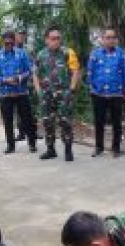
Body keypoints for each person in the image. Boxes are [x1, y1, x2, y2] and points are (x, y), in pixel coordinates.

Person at [33, 26, 81, 162]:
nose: (56, 41)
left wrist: (71, 90)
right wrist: (38, 91)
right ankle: (51, 150)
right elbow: (35, 73)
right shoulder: (41, 54)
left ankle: (68, 150)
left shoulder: (67, 52)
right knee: (47, 122)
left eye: (58, 38)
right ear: (46, 40)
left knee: (65, 122)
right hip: (46, 94)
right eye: (53, 38)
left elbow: (75, 71)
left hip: (63, 94)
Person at [87, 27, 125, 158]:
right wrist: (91, 87)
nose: (111, 40)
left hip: (116, 93)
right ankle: (98, 147)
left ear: (116, 40)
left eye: (113, 37)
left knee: (117, 122)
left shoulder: (121, 54)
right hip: (98, 94)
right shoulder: (95, 54)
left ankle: (116, 148)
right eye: (108, 37)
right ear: (102, 39)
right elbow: (90, 72)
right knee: (99, 122)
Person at [0, 31, 37, 154]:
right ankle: (10, 145)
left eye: (11, 43)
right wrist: (5, 80)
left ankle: (32, 143)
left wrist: (19, 78)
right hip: (5, 94)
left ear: (14, 42)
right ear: (2, 42)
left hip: (21, 92)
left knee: (27, 119)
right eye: (6, 43)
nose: (9, 45)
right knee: (8, 120)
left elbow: (29, 70)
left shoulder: (22, 54)